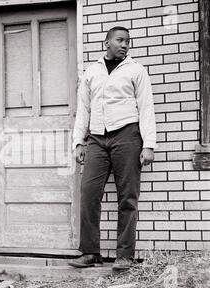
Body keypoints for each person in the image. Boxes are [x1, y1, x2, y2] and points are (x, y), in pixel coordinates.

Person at [68, 26, 157, 271]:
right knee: (88, 193)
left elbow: (146, 107)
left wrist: (148, 144)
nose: (125, 44)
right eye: (120, 40)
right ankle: (90, 252)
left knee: (127, 197)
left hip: (127, 136)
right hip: (96, 138)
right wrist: (78, 142)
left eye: (128, 41)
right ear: (106, 43)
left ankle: (125, 256)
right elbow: (83, 109)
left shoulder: (136, 70)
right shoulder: (92, 72)